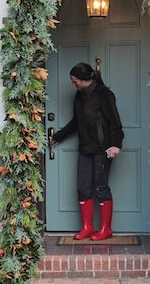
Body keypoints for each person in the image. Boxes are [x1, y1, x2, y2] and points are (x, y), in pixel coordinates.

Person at [50, 62, 124, 240]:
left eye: (75, 81)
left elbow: (115, 122)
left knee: (100, 187)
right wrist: (58, 136)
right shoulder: (80, 96)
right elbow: (77, 121)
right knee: (83, 187)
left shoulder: (104, 95)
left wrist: (116, 144)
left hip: (103, 148)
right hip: (85, 148)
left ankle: (106, 230)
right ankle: (87, 227)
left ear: (85, 79)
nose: (73, 84)